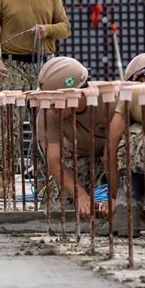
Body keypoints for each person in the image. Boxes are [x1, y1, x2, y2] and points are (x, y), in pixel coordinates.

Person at [0, 0, 70, 184]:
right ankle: (5, 176)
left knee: (46, 122)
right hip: (11, 66)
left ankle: (42, 172)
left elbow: (64, 28)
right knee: (9, 124)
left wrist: (48, 30)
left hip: (43, 67)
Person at [35, 57, 117, 227]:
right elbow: (55, 162)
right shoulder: (47, 115)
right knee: (57, 208)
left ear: (76, 94)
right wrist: (81, 195)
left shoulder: (110, 100)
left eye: (54, 101)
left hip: (118, 157)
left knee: (128, 204)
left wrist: (116, 196)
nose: (49, 107)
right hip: (81, 154)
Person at [106, 53, 145, 234]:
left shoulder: (129, 98)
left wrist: (115, 196)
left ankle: (128, 209)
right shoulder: (129, 101)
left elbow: (111, 150)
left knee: (132, 137)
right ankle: (128, 208)